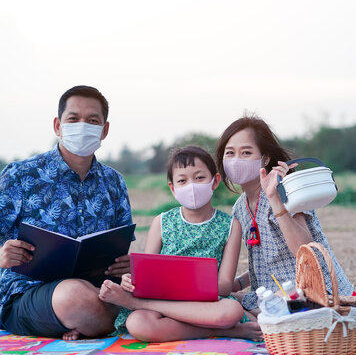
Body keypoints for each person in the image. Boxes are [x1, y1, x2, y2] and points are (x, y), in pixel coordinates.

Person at [0, 85, 134, 340]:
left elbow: (119, 247)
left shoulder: (114, 182)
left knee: (142, 291)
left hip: (100, 290)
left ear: (104, 130)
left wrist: (126, 266)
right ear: (58, 126)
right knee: (74, 296)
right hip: (28, 296)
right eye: (73, 119)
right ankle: (102, 320)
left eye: (92, 120)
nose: (83, 126)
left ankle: (88, 323)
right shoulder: (23, 175)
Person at [98, 146, 262, 342]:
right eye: (182, 180)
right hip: (164, 302)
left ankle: (139, 305)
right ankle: (228, 331)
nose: (191, 185)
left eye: (199, 177)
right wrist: (131, 280)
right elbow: (146, 275)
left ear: (215, 181)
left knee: (231, 310)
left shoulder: (230, 226)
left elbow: (225, 287)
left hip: (206, 304)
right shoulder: (161, 222)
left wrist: (187, 287)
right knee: (137, 323)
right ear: (173, 188)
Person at [214, 114, 354, 317]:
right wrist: (239, 283)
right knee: (224, 303)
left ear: (265, 158)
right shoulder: (239, 208)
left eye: (246, 152)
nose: (236, 160)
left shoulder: (287, 189)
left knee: (236, 314)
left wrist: (274, 199)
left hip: (314, 291)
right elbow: (269, 263)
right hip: (273, 293)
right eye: (230, 153)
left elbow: (303, 250)